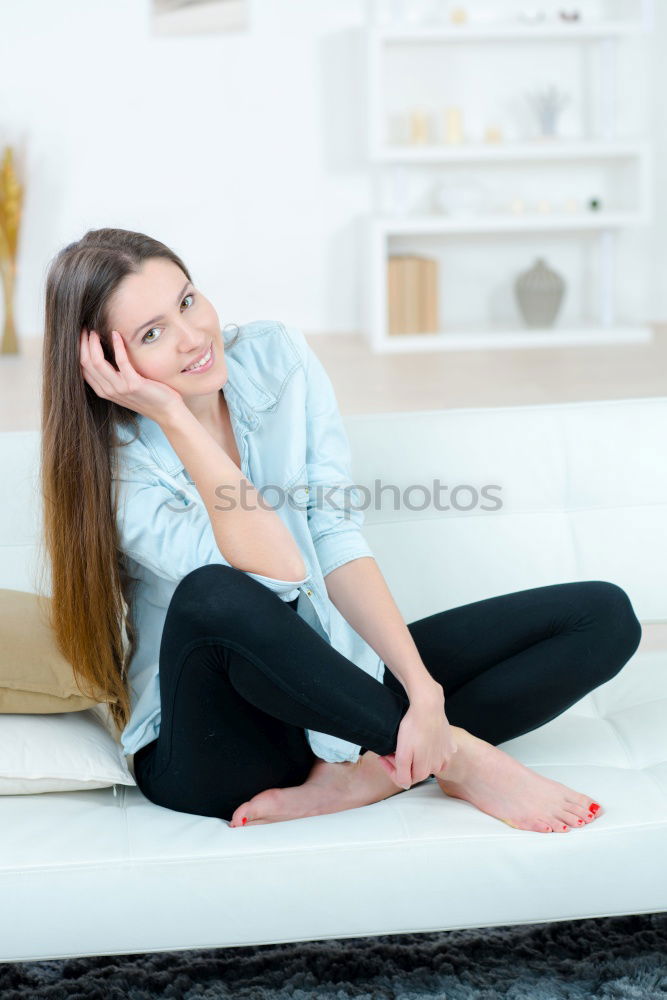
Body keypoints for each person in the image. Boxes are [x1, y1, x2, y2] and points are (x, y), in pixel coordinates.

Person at [40, 227, 642, 834]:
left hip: (329, 692)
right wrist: (173, 413)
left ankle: (370, 775)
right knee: (216, 591)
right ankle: (459, 758)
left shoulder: (278, 358)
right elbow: (273, 570)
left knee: (602, 616)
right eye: (152, 333)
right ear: (108, 366)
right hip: (215, 749)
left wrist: (422, 689)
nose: (194, 337)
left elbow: (333, 536)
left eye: (188, 301)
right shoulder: (115, 466)